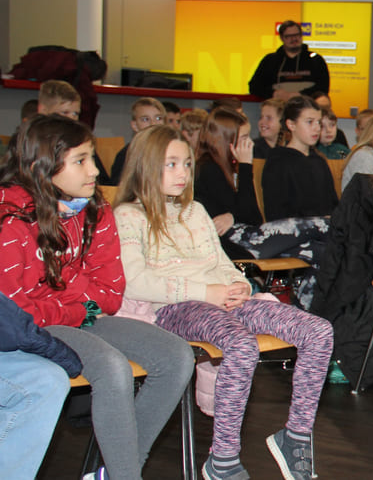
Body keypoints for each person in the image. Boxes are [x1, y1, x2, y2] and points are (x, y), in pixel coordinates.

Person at [114, 125, 333, 480]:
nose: (183, 173)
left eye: (186, 163)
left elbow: (220, 262)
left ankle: (295, 437)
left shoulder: (195, 212)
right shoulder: (129, 216)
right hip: (176, 307)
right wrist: (206, 293)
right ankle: (223, 459)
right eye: (171, 164)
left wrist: (237, 284)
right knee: (241, 345)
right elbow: (136, 282)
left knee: (318, 331)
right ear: (144, 166)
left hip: (222, 299)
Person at [0, 114, 195, 480]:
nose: (94, 170)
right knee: (111, 367)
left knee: (176, 356)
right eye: (81, 160)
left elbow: (109, 293)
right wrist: (76, 299)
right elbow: (13, 310)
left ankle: (117, 471)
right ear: (42, 167)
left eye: (93, 158)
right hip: (35, 328)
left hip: (79, 316)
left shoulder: (95, 209)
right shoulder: (11, 219)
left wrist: (69, 296)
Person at [193, 108, 328, 264]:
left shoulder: (227, 166)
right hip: (236, 243)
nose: (249, 143)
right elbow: (247, 216)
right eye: (244, 137)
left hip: (249, 236)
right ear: (226, 140)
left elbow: (252, 216)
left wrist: (232, 215)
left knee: (321, 252)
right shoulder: (209, 168)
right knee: (322, 224)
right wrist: (245, 166)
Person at [0, 291, 83, 480]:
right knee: (112, 368)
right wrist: (60, 353)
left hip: (61, 317)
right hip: (37, 322)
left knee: (48, 380)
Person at [261, 96, 339, 222]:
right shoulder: (278, 161)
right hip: (294, 233)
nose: (317, 128)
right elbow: (276, 212)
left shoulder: (319, 161)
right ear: (291, 124)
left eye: (318, 122)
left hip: (323, 232)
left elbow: (333, 204)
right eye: (309, 122)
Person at [248, 20, 330, 101]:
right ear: (281, 38)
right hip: (277, 110)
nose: (293, 39)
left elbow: (323, 88)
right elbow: (254, 86)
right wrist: (274, 93)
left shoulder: (316, 60)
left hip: (307, 109)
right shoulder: (270, 60)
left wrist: (301, 95)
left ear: (301, 36)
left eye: (296, 35)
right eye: (288, 36)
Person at [109, 97, 167, 185]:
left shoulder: (170, 151)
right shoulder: (127, 155)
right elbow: (117, 189)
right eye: (145, 119)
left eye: (158, 118)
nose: (153, 124)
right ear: (135, 125)